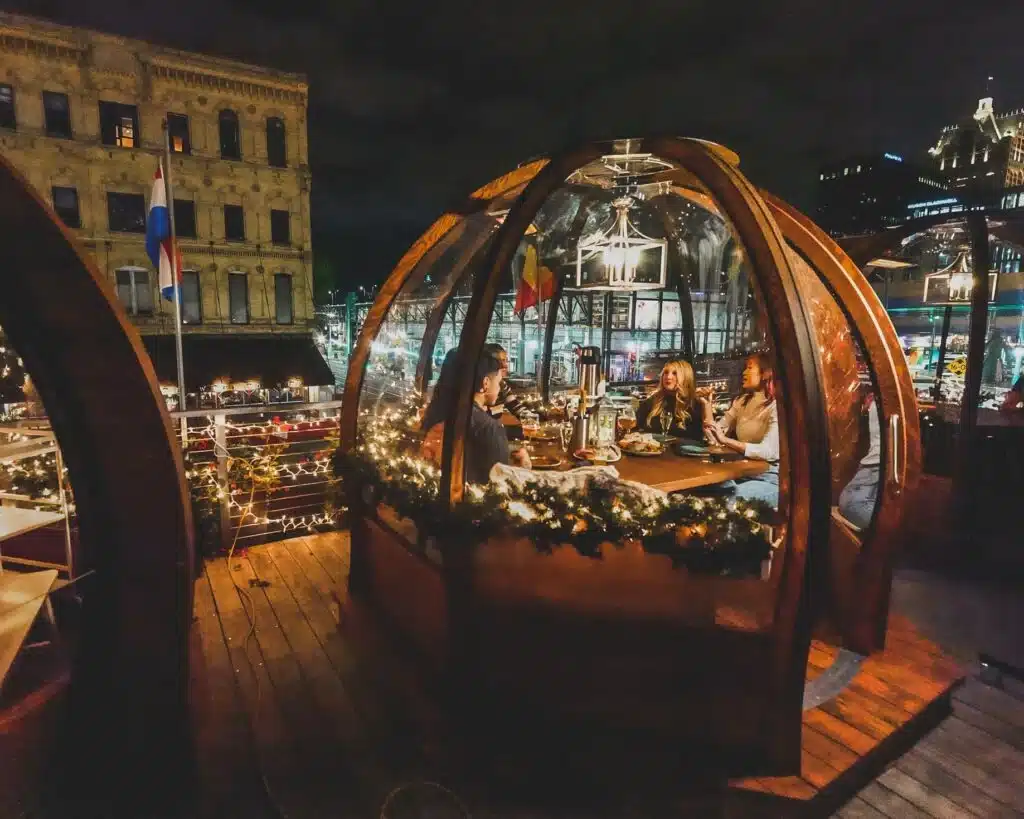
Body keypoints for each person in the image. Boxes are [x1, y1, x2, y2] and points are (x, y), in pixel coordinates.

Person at [420, 349, 530, 480]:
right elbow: (499, 486)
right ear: (485, 383)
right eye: (498, 382)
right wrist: (523, 469)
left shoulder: (438, 413)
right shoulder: (488, 427)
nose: (500, 388)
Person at [705, 352, 780, 507]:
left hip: (769, 478)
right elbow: (714, 435)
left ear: (766, 373)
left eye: (749, 368)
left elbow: (769, 451)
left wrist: (725, 440)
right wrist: (706, 405)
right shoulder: (742, 401)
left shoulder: (776, 406)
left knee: (727, 500)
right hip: (742, 472)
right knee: (704, 490)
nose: (744, 372)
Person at [636, 359, 712, 441]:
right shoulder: (653, 401)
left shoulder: (695, 402)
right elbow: (635, 426)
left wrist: (707, 405)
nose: (668, 377)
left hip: (687, 449)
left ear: (685, 377)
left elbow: (711, 435)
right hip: (654, 448)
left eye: (675, 373)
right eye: (666, 372)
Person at [837, 394, 881, 530]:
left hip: (876, 465)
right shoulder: (878, 402)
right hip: (874, 465)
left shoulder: (882, 403)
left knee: (849, 504)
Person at [483, 343, 526, 420]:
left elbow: (515, 406)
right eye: (501, 361)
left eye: (506, 361)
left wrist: (533, 418)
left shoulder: (502, 384)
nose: (505, 365)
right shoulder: (479, 386)